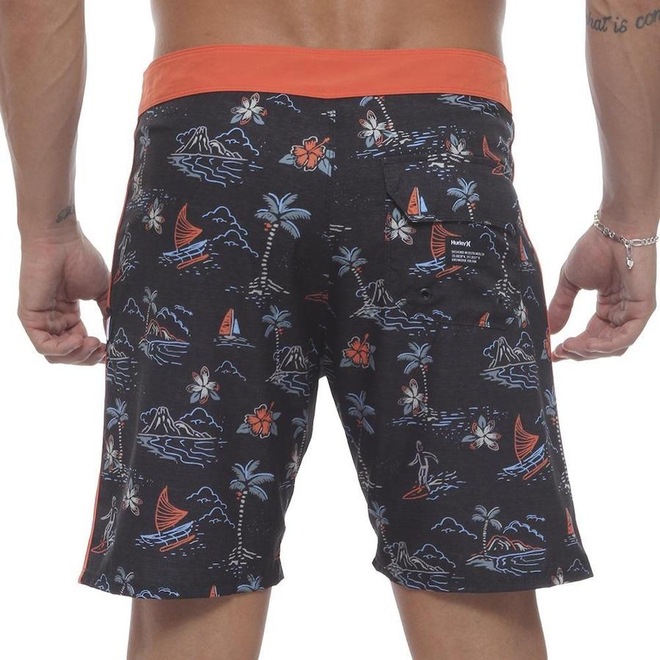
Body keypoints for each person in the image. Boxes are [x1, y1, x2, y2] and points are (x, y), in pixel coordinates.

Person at [1, 0, 657, 658]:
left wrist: (47, 228)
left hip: (217, 147)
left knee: (188, 586)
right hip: (438, 147)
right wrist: (629, 226)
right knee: (481, 576)